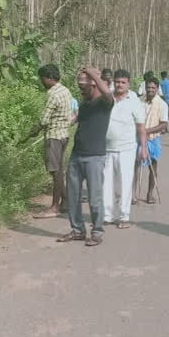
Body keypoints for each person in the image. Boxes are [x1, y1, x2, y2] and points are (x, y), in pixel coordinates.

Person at [57, 67, 114, 247]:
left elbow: (107, 92)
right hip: (77, 154)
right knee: (73, 195)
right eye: (78, 85)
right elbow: (76, 119)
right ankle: (78, 230)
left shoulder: (104, 103)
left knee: (95, 197)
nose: (80, 88)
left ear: (93, 83)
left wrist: (94, 75)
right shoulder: (84, 103)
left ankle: (97, 232)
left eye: (83, 85)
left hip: (94, 157)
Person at [103, 69, 147, 229]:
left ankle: (123, 216)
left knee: (125, 182)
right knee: (106, 184)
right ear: (113, 82)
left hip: (127, 149)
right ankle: (107, 216)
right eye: (117, 82)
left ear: (128, 84)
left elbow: (141, 128)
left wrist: (143, 148)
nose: (120, 85)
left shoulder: (134, 101)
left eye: (123, 82)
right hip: (107, 149)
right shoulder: (107, 98)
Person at [28, 64, 73, 218]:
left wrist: (32, 132)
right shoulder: (65, 90)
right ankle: (65, 202)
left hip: (54, 136)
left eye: (42, 79)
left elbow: (44, 119)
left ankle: (54, 206)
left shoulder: (53, 94)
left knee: (56, 172)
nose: (41, 82)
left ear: (48, 78)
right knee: (59, 169)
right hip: (64, 135)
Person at [134, 76, 168, 205]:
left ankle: (149, 194)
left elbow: (164, 124)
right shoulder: (138, 101)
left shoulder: (162, 104)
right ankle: (134, 194)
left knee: (153, 166)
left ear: (157, 89)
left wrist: (147, 131)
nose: (150, 90)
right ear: (145, 87)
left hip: (153, 139)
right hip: (136, 138)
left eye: (153, 88)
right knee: (135, 166)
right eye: (148, 87)